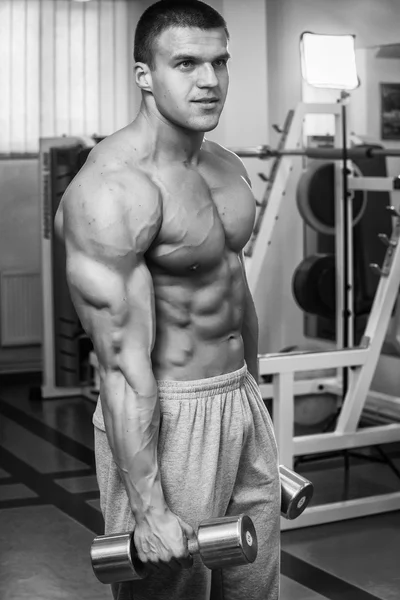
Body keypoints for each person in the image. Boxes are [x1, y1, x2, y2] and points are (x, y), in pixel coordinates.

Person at [55, 1, 280, 598]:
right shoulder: (113, 189)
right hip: (168, 417)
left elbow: (237, 293)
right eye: (186, 63)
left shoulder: (226, 167)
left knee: (254, 589)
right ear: (145, 75)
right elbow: (121, 367)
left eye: (219, 62)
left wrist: (255, 419)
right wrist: (149, 505)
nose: (209, 80)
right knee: (171, 592)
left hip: (239, 400)